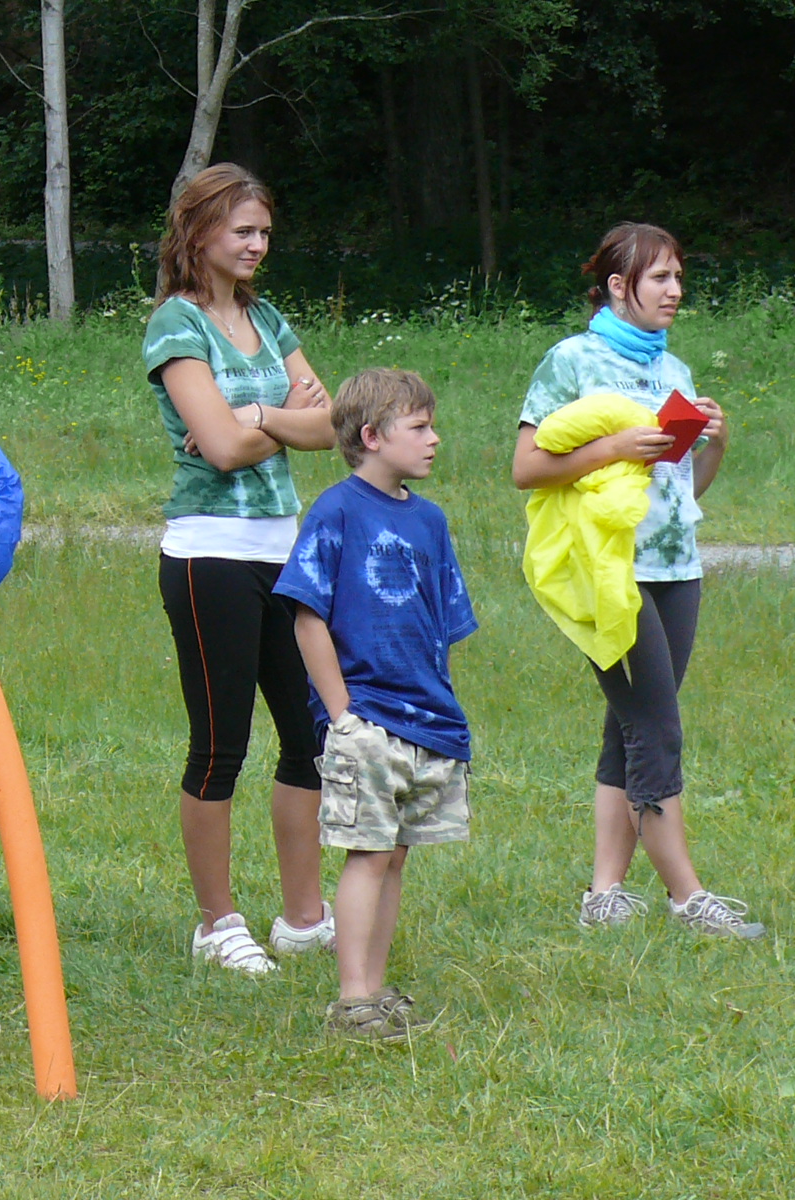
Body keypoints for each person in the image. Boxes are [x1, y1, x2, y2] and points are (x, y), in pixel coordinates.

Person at [512, 221, 763, 938]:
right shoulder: (572, 361)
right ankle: (688, 897)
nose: (675, 290)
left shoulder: (675, 369)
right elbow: (526, 468)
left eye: (679, 276)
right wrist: (615, 446)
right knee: (656, 726)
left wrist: (715, 446)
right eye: (660, 278)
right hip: (607, 570)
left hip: (677, 567)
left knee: (631, 726)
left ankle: (604, 895)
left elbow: (683, 490)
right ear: (619, 286)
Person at [142, 163, 337, 974]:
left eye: (264, 232)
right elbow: (218, 450)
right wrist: (283, 420)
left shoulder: (270, 317)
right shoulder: (176, 326)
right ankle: (217, 924)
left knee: (310, 738)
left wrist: (256, 412)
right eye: (242, 231)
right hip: (209, 557)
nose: (258, 245)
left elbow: (333, 427)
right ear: (199, 232)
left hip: (283, 551)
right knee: (221, 745)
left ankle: (303, 916)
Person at [275, 369, 476, 1039]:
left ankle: (376, 988)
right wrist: (342, 716)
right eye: (419, 427)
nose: (434, 438)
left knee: (395, 855)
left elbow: (441, 626)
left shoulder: (430, 520)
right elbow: (308, 617)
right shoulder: (336, 511)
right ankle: (351, 998)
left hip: (427, 723)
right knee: (366, 853)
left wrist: (444, 712)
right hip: (365, 719)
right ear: (371, 437)